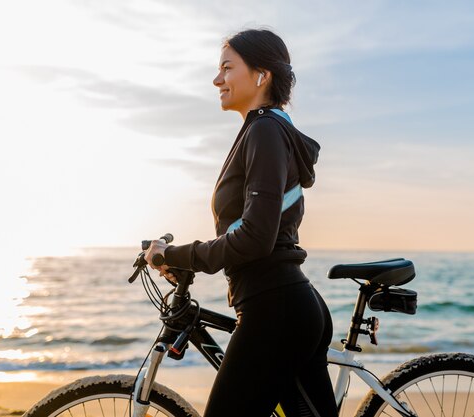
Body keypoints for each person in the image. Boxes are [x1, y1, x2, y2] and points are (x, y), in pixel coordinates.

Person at [145, 28, 338, 417]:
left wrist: (180, 254)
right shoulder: (264, 129)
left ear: (261, 75)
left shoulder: (265, 130)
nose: (217, 79)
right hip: (285, 302)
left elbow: (255, 237)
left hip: (276, 307)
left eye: (227, 68)